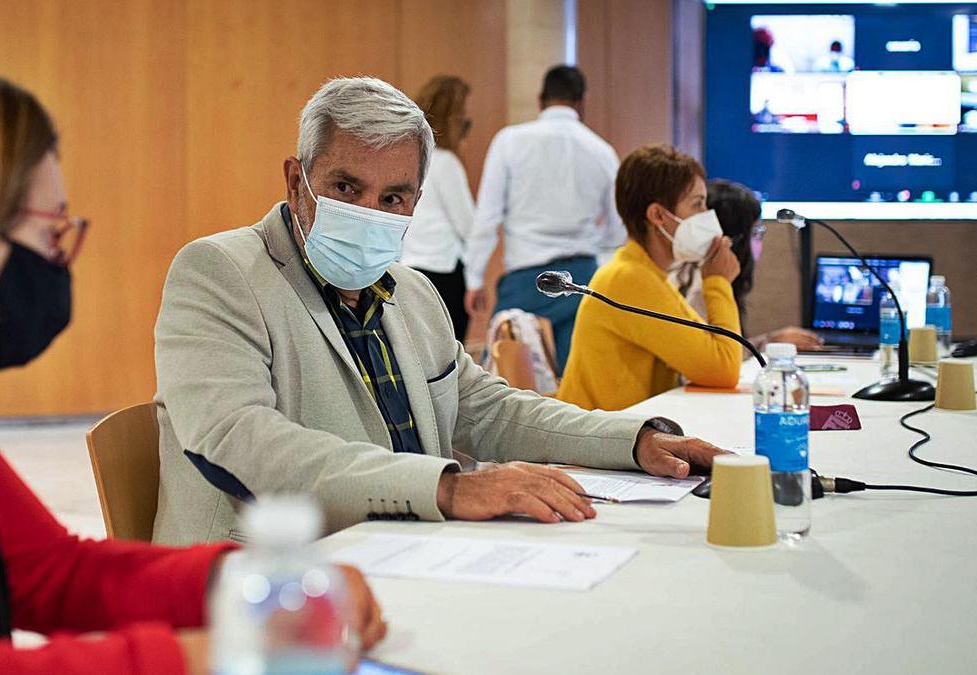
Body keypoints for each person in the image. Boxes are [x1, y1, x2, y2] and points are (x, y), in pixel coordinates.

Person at [0, 68, 384, 673]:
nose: (57, 263)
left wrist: (253, 581)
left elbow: (46, 570)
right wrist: (197, 658)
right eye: (50, 233)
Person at [152, 77, 725, 546]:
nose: (368, 212)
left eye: (392, 198)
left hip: (409, 553)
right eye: (346, 188)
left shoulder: (412, 293)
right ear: (296, 183)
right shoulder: (219, 272)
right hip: (263, 583)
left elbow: (490, 411)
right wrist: (447, 487)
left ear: (414, 205)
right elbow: (239, 440)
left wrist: (633, 441)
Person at [462, 65, 624, 375]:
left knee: (499, 382)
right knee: (575, 384)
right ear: (582, 101)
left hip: (527, 280)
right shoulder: (602, 152)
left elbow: (487, 216)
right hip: (583, 279)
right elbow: (616, 231)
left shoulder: (510, 141)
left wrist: (474, 277)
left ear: (540, 100)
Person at [557, 144, 743, 411]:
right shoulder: (628, 279)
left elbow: (713, 355)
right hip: (595, 447)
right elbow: (723, 368)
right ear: (657, 215)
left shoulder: (646, 273)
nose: (706, 217)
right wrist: (717, 281)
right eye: (697, 204)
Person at [671, 179, 823, 352]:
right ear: (731, 238)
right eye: (756, 232)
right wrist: (767, 343)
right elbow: (716, 360)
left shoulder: (691, 273)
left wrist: (768, 341)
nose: (760, 242)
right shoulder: (700, 289)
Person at [401, 75, 475, 342]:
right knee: (447, 360)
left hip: (408, 269)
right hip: (445, 274)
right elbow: (468, 226)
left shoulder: (408, 160)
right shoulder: (446, 163)